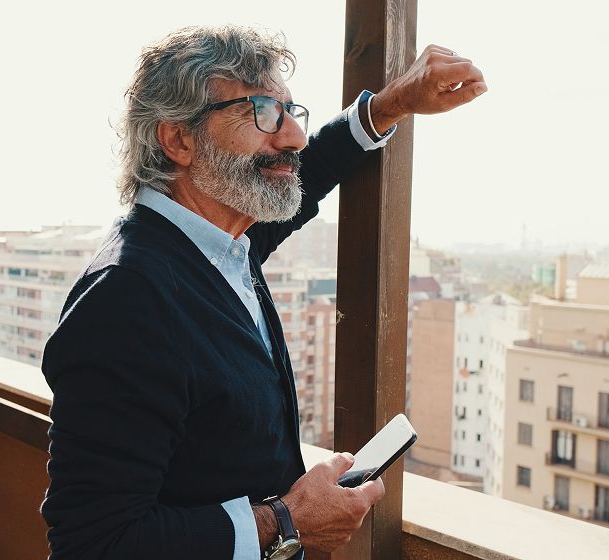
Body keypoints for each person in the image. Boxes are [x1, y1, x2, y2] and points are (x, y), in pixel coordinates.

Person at [41, 25, 485, 560]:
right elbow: (93, 544)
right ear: (178, 140)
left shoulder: (222, 243)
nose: (293, 136)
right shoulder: (125, 301)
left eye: (290, 113)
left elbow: (307, 171)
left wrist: (390, 105)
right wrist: (286, 520)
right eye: (263, 112)